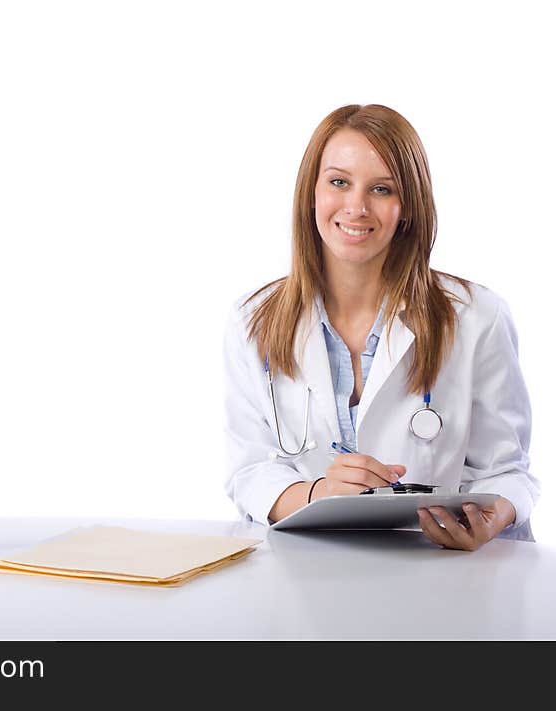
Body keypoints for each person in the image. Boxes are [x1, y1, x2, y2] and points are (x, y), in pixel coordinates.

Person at [223, 104, 539, 550]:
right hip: (306, 580)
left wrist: (490, 519)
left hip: (438, 577)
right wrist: (319, 496)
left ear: (407, 206)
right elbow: (249, 471)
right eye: (339, 182)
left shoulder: (476, 317)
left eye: (382, 189)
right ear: (310, 193)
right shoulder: (254, 320)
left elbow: (507, 473)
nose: (356, 206)